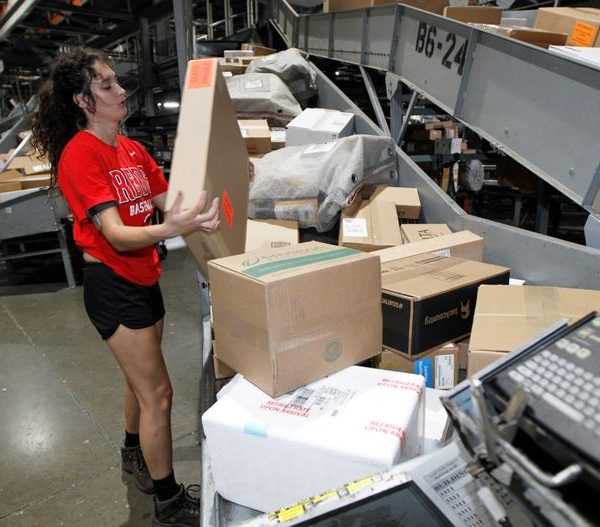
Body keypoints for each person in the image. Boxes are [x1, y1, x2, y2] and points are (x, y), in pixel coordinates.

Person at [31, 47, 218, 527]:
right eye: (107, 85)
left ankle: (134, 450)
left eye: (116, 81)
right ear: (83, 101)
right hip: (112, 284)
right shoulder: (81, 155)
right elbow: (114, 233)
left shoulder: (131, 150)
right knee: (159, 394)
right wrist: (171, 229)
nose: (121, 90)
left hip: (144, 275)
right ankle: (167, 501)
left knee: (140, 383)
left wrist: (212, 196)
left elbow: (170, 199)